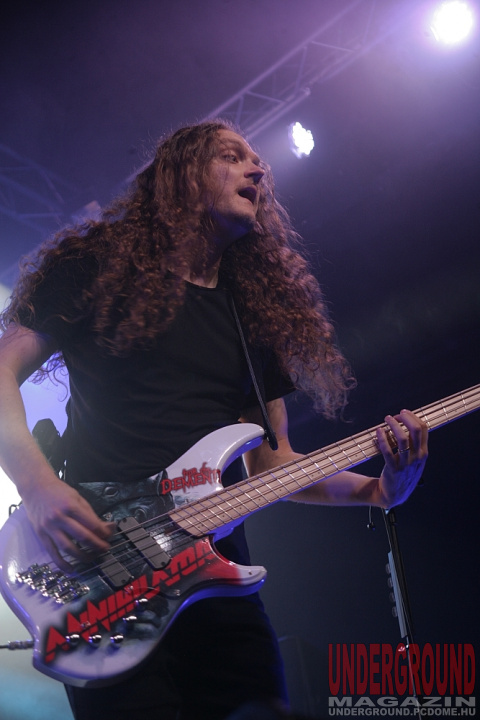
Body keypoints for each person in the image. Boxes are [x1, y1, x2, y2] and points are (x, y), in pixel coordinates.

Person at [0, 120, 428, 720]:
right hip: (101, 568)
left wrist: (380, 490)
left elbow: (273, 466)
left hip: (214, 576)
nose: (259, 168)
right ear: (182, 176)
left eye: (259, 162)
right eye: (233, 156)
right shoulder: (96, 266)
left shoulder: (252, 315)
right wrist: (38, 486)